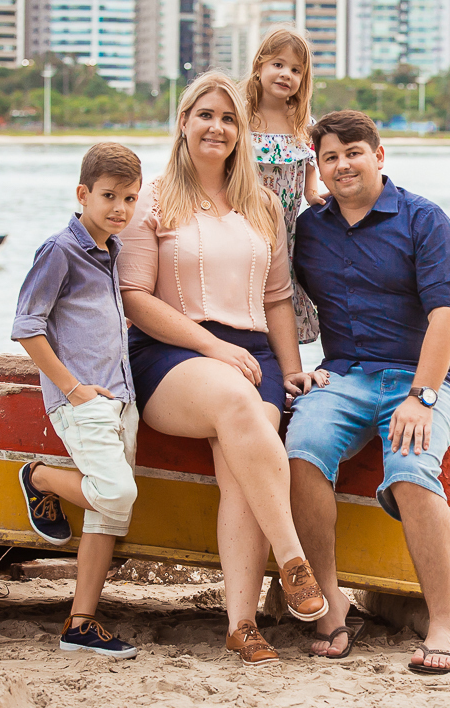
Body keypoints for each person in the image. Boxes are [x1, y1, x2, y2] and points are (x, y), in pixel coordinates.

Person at [118, 71, 329, 667]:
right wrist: (212, 349)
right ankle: (294, 561)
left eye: (229, 118)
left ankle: (242, 625)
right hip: (170, 351)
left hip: (253, 354)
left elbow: (278, 298)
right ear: (183, 123)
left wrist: (291, 369)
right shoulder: (152, 199)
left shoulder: (263, 204)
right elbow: (135, 296)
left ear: (241, 132)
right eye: (204, 115)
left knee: (241, 464)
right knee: (238, 404)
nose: (216, 127)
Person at [287, 110, 450, 674]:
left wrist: (423, 396)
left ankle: (442, 620)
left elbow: (445, 316)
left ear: (379, 154)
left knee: (411, 471)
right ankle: (331, 599)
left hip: (418, 379)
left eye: (353, 153)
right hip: (343, 375)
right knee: (301, 452)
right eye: (330, 157)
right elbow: (266, 296)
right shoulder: (310, 229)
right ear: (320, 167)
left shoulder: (424, 219)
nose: (343, 165)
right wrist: (293, 368)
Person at [12, 141, 143, 659]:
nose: (120, 208)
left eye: (130, 199)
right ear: (83, 193)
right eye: (110, 196)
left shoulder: (112, 249)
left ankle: (80, 623)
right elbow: (27, 327)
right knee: (116, 494)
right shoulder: (59, 250)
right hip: (82, 400)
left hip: (121, 397)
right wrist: (72, 388)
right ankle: (39, 477)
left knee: (109, 518)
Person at [243, 27, 324, 344]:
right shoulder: (243, 115)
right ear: (260, 65)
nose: (285, 74)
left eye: (295, 70)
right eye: (278, 64)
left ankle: (282, 357)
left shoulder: (301, 121)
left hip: (285, 228)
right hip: (246, 217)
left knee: (278, 284)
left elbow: (310, 163)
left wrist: (312, 194)